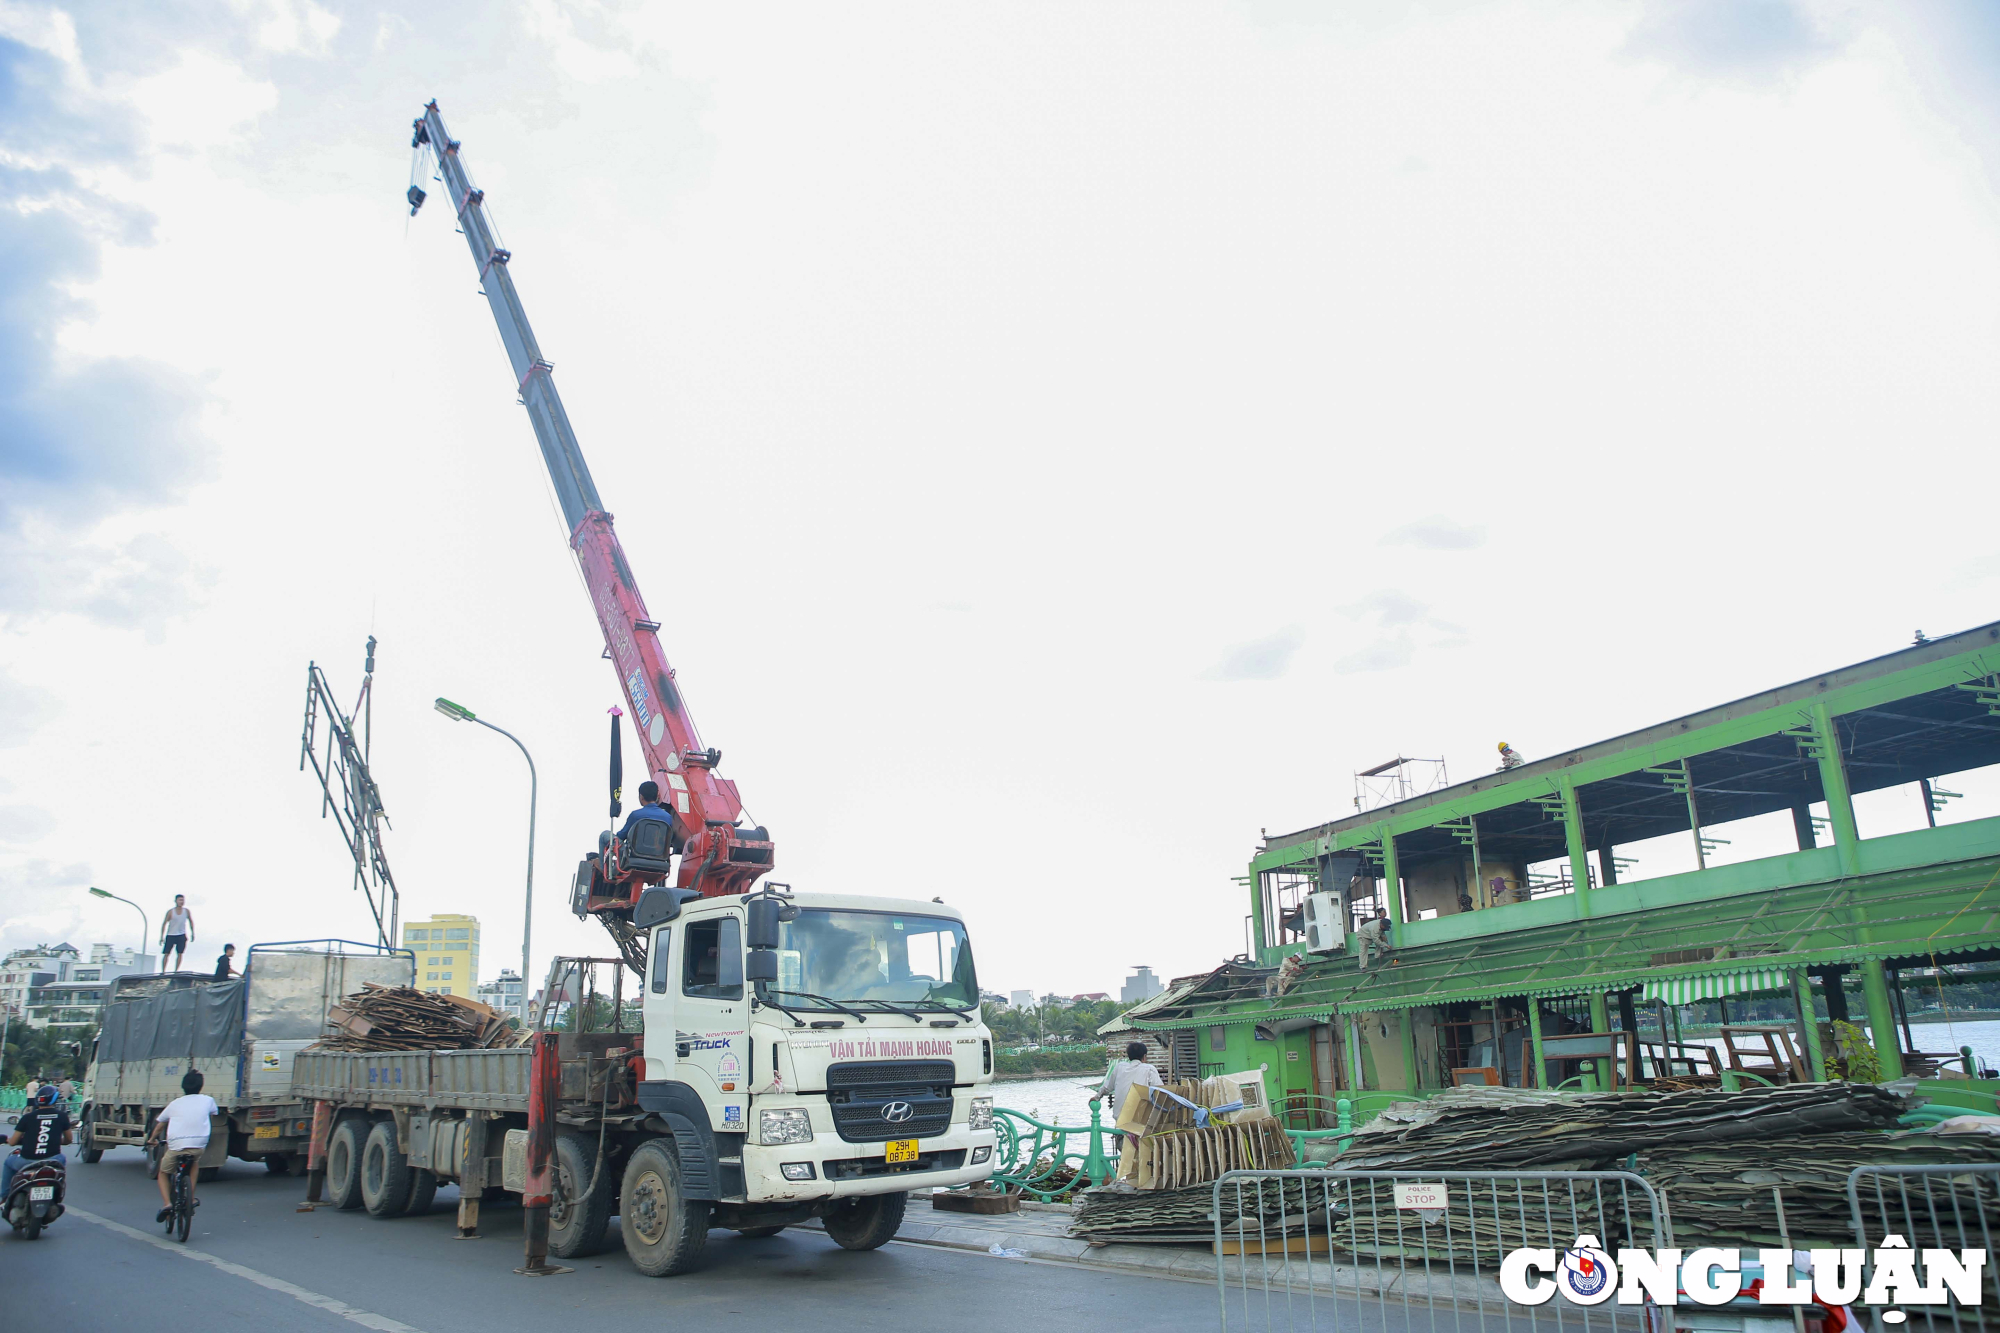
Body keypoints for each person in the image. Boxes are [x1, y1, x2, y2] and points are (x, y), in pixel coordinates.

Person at [148, 1070, 218, 1223]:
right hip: (198, 1144)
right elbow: (213, 1114)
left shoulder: (175, 1104)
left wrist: (152, 1139)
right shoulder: (208, 1100)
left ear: (183, 1086)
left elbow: (160, 1125)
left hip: (176, 1146)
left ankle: (167, 1204)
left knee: (163, 1172)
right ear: (201, 1086)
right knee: (194, 1163)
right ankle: (190, 1199)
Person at [1090, 1041, 1163, 1152]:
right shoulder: (1149, 1069)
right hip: (1140, 1127)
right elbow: (1161, 1092)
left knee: (1125, 1159)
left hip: (1121, 1126)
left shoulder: (1119, 1067)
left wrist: (1097, 1097)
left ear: (1128, 1056)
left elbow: (1106, 1087)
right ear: (1144, 1057)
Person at [3, 1084, 72, 1200]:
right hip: (53, 1160)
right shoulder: (62, 1116)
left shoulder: (27, 1117)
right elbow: (69, 1140)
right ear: (55, 1099)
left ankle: (4, 1197)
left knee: (8, 1162)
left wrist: (6, 1139)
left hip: (27, 1161)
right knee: (62, 1160)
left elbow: (13, 1141)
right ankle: (57, 1192)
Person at [160, 894, 195, 970]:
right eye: (180, 900)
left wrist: (193, 933)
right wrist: (162, 937)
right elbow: (164, 923)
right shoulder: (170, 912)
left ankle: (176, 970)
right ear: (176, 901)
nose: (181, 902)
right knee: (166, 953)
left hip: (181, 934)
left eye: (183, 900)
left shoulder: (186, 911)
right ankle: (163, 971)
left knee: (180, 953)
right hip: (171, 934)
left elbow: (191, 921)